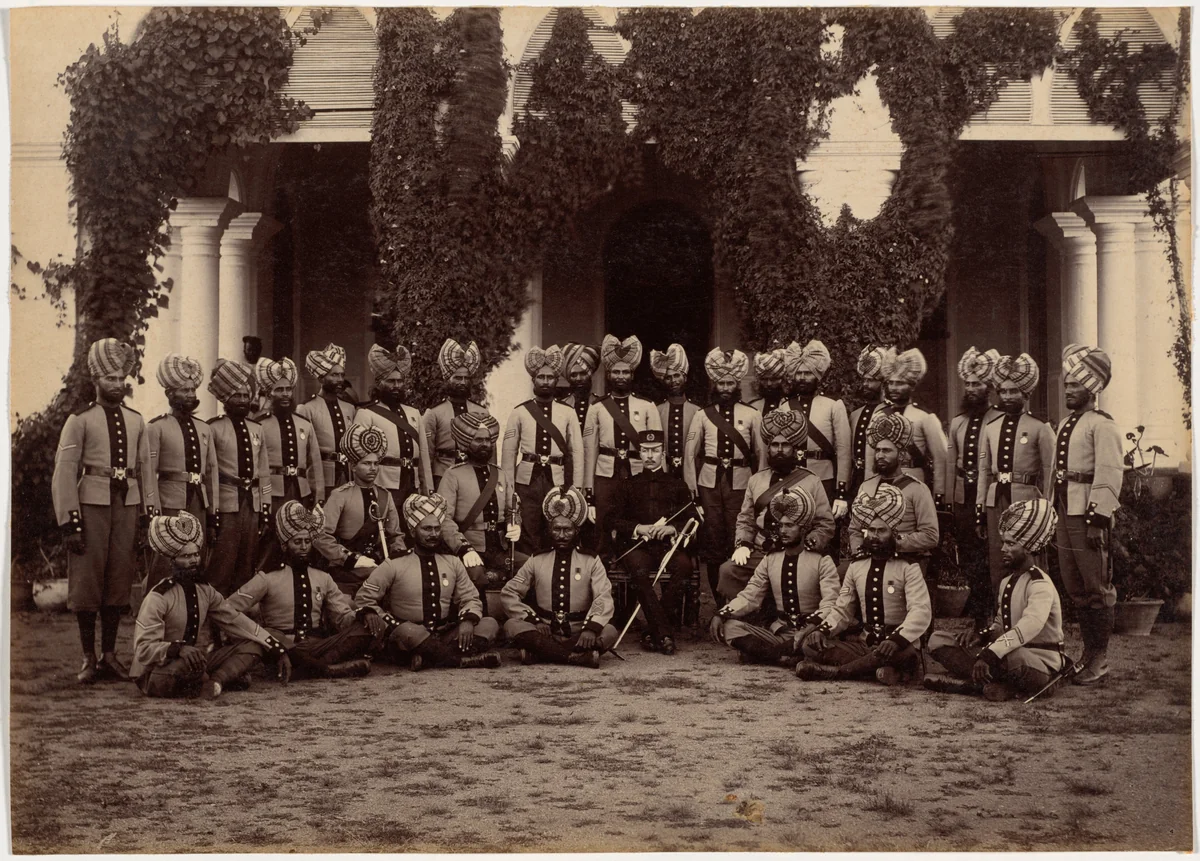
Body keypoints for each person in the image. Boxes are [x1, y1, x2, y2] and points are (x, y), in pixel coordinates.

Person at [52, 338, 158, 683]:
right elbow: (65, 472)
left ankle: (110, 655)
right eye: (109, 378)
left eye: (120, 378)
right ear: (96, 381)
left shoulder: (136, 420)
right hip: (91, 504)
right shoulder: (80, 420)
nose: (116, 384)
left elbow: (145, 470)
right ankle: (88, 657)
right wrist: (70, 522)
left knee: (118, 580)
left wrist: (148, 514)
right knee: (87, 581)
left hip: (126, 504)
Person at [131, 511, 290, 699]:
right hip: (156, 671)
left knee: (253, 645)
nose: (193, 561)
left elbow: (236, 620)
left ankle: (216, 681)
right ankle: (219, 678)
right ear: (172, 561)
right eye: (186, 556)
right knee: (185, 667)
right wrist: (177, 649)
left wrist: (277, 648)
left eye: (196, 555)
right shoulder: (158, 597)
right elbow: (143, 650)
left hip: (192, 662)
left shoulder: (205, 591)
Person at [925, 499, 1067, 701]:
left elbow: (1027, 627)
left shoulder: (1040, 584)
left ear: (1028, 547)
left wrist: (990, 654)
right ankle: (996, 684)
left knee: (1011, 657)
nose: (1003, 549)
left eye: (1010, 543)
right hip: (1005, 652)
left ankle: (986, 684)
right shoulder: (1007, 581)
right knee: (938, 640)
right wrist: (981, 636)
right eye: (1003, 542)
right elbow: (1001, 624)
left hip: (1037, 660)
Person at [795, 484, 932, 685]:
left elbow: (920, 611)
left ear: (893, 533)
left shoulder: (908, 567)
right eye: (871, 531)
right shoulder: (856, 567)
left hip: (898, 645)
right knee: (811, 644)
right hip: (865, 645)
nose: (875, 536)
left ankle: (837, 673)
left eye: (881, 531)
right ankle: (880, 672)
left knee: (904, 653)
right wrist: (823, 630)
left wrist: (895, 640)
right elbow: (843, 609)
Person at [226, 501, 379, 680]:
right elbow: (228, 608)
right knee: (273, 641)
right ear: (284, 546)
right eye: (297, 542)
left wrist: (363, 615)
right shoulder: (267, 578)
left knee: (366, 627)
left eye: (307, 541)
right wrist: (255, 631)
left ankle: (315, 668)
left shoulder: (323, 577)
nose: (304, 547)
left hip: (317, 647)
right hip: (281, 646)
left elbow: (342, 617)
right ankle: (327, 670)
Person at [354, 493, 502, 671]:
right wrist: (380, 619)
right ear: (412, 530)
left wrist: (467, 621)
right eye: (426, 529)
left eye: (437, 529)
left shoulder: (453, 562)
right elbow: (364, 599)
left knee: (488, 624)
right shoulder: (394, 564)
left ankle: (426, 657)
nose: (433, 534)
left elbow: (470, 597)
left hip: (443, 633)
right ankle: (463, 661)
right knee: (410, 633)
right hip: (407, 633)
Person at [1053, 344, 1123, 686]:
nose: (1068, 389)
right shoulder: (1066, 423)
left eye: (1075, 385)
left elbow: (1109, 472)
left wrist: (1098, 519)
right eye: (1067, 384)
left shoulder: (1102, 425)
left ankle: (1100, 658)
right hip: (1065, 509)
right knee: (1075, 585)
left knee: (1096, 586)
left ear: (1091, 389)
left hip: (1088, 514)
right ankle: (1087, 655)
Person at [710, 486, 839, 666]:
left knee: (815, 644)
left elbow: (831, 603)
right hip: (779, 633)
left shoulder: (822, 560)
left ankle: (765, 655)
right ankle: (780, 656)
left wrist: (810, 628)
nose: (783, 531)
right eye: (781, 525)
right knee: (730, 627)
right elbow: (750, 596)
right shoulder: (771, 558)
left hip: (809, 632)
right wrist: (722, 614)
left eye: (790, 525)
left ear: (804, 529)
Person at [720, 409, 834, 604]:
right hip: (761, 550)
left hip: (797, 551)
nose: (779, 450)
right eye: (774, 445)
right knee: (728, 570)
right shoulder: (756, 480)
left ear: (794, 448)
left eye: (785, 445)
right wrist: (743, 544)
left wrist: (810, 543)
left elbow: (825, 523)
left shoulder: (812, 481)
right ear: (768, 448)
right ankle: (743, 619)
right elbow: (745, 519)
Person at [501, 486, 618, 668]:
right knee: (511, 626)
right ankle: (575, 657)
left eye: (567, 530)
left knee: (609, 631)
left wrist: (590, 629)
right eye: (556, 530)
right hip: (544, 630)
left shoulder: (591, 560)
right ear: (549, 530)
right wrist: (534, 620)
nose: (562, 535)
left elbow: (603, 596)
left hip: (579, 631)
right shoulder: (537, 559)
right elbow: (509, 593)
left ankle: (541, 653)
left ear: (576, 531)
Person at [605, 430, 697, 654]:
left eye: (655, 451)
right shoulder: (627, 484)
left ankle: (653, 631)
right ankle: (663, 634)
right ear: (639, 454)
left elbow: (691, 518)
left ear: (663, 454)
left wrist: (672, 529)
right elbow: (613, 519)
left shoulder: (677, 484)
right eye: (645, 451)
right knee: (637, 570)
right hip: (638, 546)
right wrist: (639, 528)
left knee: (684, 567)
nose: (649, 456)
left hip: (668, 546)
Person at [976, 353, 1055, 607]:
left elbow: (1049, 470)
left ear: (1026, 393)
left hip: (1026, 500)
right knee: (998, 560)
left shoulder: (1040, 427)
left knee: (1030, 559)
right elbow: (984, 471)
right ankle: (1003, 615)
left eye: (1014, 391)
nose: (1008, 396)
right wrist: (980, 508)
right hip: (995, 499)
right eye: (1004, 391)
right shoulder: (991, 427)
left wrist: (1046, 509)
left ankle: (1035, 611)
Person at [683, 348, 762, 599]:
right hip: (709, 484)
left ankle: (738, 598)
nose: (726, 387)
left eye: (730, 383)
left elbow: (761, 455)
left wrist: (759, 489)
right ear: (715, 385)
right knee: (714, 542)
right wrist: (693, 493)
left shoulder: (752, 414)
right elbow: (689, 455)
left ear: (737, 384)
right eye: (721, 383)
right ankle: (719, 601)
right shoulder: (702, 415)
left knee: (738, 539)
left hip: (741, 483)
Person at [437, 412, 525, 608]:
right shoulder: (453, 476)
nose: (485, 444)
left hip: (501, 549)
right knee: (477, 576)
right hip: (470, 547)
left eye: (487, 439)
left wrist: (515, 524)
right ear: (466, 443)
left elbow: (513, 509)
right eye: (478, 440)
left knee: (531, 567)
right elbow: (444, 519)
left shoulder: (500, 474)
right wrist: (464, 548)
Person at [502, 345, 584, 555]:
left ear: (557, 381)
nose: (545, 381)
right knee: (528, 528)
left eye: (550, 377)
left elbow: (577, 452)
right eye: (541, 377)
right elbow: (509, 454)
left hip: (556, 480)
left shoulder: (567, 412)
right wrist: (509, 489)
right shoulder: (519, 412)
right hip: (527, 481)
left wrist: (577, 487)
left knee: (554, 528)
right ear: (533, 380)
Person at [146, 353, 218, 590]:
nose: (190, 395)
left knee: (196, 555)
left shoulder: (204, 428)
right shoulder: (157, 427)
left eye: (192, 391)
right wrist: (153, 509)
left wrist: (212, 509)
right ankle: (155, 607)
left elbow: (212, 472)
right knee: (165, 558)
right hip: (170, 501)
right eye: (184, 390)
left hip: (198, 499)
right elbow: (148, 471)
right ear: (169, 394)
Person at [583, 334, 661, 554]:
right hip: (606, 474)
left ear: (632, 375)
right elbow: (590, 451)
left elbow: (655, 451)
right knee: (603, 528)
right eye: (616, 372)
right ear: (608, 375)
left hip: (637, 472)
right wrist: (589, 492)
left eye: (625, 372)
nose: (620, 376)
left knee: (635, 522)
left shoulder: (646, 406)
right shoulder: (597, 407)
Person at [944, 346, 1003, 628]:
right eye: (967, 384)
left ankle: (994, 614)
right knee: (968, 556)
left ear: (989, 387)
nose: (971, 389)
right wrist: (945, 498)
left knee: (990, 556)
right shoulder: (957, 423)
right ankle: (979, 616)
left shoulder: (998, 420)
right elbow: (948, 463)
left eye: (977, 384)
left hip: (990, 495)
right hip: (962, 497)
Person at [205, 358, 273, 596]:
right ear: (225, 399)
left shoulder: (257, 429)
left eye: (246, 395)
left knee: (246, 566)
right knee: (222, 566)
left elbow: (263, 473)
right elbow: (209, 474)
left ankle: (238, 621)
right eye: (237, 396)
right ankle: (215, 624)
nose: (243, 401)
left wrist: (265, 509)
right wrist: (211, 513)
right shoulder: (213, 428)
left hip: (251, 505)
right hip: (226, 505)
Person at [313, 425, 406, 596]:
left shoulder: (385, 496)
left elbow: (395, 536)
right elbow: (320, 536)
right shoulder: (340, 495)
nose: (373, 468)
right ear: (353, 467)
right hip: (345, 570)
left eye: (376, 463)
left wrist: (398, 559)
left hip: (378, 568)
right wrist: (350, 559)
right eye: (366, 463)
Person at [849, 412, 939, 577]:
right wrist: (859, 552)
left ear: (902, 455)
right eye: (877, 451)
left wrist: (894, 543)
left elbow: (930, 536)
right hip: (870, 559)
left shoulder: (917, 489)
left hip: (904, 561)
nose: (880, 456)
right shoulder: (866, 487)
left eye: (887, 451)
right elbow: (855, 530)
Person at [352, 344, 434, 511]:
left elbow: (424, 455)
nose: (396, 385)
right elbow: (359, 458)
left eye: (400, 381)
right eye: (391, 381)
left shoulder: (414, 413)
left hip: (413, 484)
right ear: (379, 383)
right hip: (384, 484)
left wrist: (428, 489)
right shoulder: (367, 414)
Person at [780, 339, 852, 521]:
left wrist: (841, 492)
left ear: (817, 376)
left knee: (823, 528)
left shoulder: (833, 405)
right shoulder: (785, 407)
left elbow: (844, 451)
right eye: (799, 373)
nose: (802, 378)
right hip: (792, 476)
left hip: (824, 478)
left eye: (808, 373)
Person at [878, 347, 949, 504]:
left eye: (900, 383)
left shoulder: (925, 417)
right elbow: (872, 458)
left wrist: (939, 495)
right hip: (884, 481)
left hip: (914, 480)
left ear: (912, 386)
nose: (894, 388)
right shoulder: (880, 415)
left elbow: (940, 459)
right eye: (891, 383)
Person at [255, 356, 324, 511]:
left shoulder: (304, 424)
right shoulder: (260, 424)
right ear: (269, 394)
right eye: (279, 390)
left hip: (301, 492)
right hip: (272, 493)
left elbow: (315, 465)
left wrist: (319, 497)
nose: (285, 394)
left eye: (288, 389)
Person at [423, 338, 490, 481]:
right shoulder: (434, 413)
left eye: (466, 378)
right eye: (457, 378)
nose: (463, 382)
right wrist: (428, 487)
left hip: (475, 476)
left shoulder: (482, 412)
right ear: (448, 379)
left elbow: (490, 453)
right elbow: (426, 455)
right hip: (442, 476)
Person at [295, 343, 357, 491]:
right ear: (321, 378)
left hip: (348, 477)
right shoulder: (306, 408)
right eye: (334, 375)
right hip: (321, 479)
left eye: (342, 375)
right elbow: (302, 452)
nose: (340, 379)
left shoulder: (349, 408)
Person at [847, 345, 892, 499]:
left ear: (883, 383)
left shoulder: (890, 413)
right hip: (856, 480)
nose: (865, 384)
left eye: (871, 380)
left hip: (881, 481)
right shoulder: (855, 415)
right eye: (864, 380)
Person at [649, 343, 699, 478]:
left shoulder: (698, 412)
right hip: (664, 473)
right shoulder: (656, 411)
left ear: (685, 378)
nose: (673, 381)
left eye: (677, 375)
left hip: (691, 471)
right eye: (668, 377)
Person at [560, 342, 600, 430]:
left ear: (590, 374)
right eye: (574, 375)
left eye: (583, 373)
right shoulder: (561, 405)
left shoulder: (601, 404)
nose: (578, 378)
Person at [748, 347, 788, 416]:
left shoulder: (792, 405)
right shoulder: (752, 406)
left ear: (783, 380)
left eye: (773, 379)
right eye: (764, 379)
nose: (768, 384)